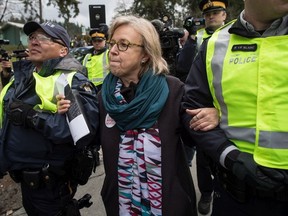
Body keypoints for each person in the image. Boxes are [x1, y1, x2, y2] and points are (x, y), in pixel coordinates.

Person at [58, 15, 199, 216]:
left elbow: (196, 138)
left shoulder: (173, 90)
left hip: (170, 206)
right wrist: (69, 115)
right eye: (112, 43)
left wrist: (208, 114)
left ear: (145, 54)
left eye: (123, 44)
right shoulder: (102, 99)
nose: (113, 50)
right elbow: (87, 142)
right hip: (120, 206)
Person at [182, 0, 288, 215]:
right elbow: (191, 108)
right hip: (236, 193)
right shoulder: (214, 44)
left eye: (216, 12)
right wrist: (229, 156)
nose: (211, 16)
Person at [0, 21, 99, 215]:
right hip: (24, 180)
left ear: (63, 50)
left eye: (43, 38)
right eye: (32, 38)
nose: (34, 42)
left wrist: (31, 115)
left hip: (51, 185)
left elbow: (79, 132)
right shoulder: (19, 77)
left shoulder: (72, 80)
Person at [178, 1, 228, 214]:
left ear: (224, 15)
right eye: (208, 14)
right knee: (204, 158)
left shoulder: (236, 34)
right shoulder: (197, 37)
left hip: (227, 106)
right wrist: (189, 38)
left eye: (216, 13)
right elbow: (183, 66)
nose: (211, 17)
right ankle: (206, 193)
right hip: (202, 103)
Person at [82, 24, 109, 91]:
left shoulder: (109, 53)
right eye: (94, 41)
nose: (97, 43)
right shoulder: (87, 56)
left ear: (105, 41)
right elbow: (83, 73)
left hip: (105, 88)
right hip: (90, 89)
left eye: (100, 41)